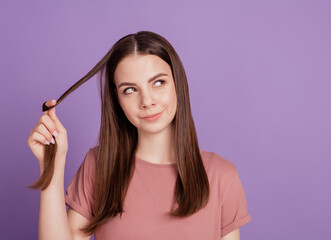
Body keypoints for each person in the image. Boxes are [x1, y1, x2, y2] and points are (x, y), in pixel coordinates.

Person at [27, 31, 252, 240]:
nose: (147, 101)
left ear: (177, 84)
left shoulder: (221, 176)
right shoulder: (99, 166)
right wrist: (52, 168)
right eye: (130, 90)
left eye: (158, 82)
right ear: (117, 99)